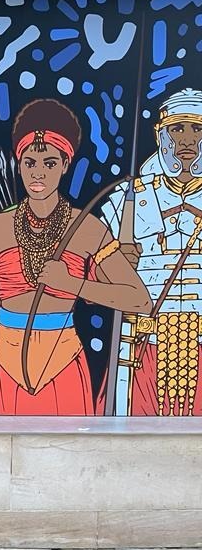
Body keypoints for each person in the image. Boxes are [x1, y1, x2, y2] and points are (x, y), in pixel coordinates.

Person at [0, 98, 151, 415]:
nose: (38, 173)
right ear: (19, 164)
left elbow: (139, 300)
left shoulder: (87, 228)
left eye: (50, 163)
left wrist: (72, 284)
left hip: (63, 366)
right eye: (30, 163)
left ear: (66, 164)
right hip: (3, 367)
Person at [101, 88, 202, 415]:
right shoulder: (127, 199)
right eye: (178, 128)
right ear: (162, 135)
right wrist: (114, 268)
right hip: (143, 347)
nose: (187, 138)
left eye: (197, 128)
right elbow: (92, 277)